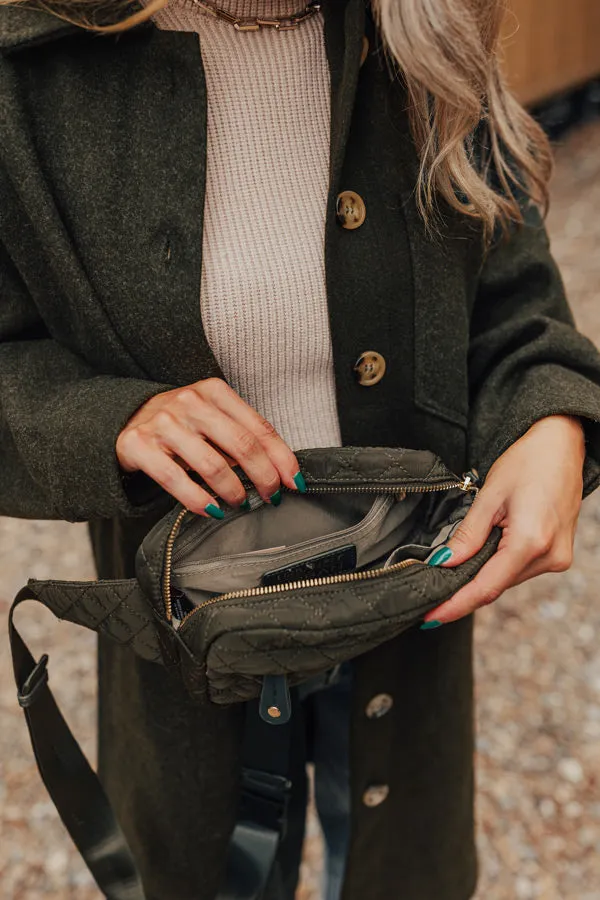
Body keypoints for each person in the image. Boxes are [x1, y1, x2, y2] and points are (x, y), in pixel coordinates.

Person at [1, 1, 600, 898]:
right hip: (182, 631)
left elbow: (516, 302)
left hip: (414, 595)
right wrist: (104, 420)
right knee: (200, 865)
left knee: (402, 865)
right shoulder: (27, 64)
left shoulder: (426, 22)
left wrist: (555, 421)